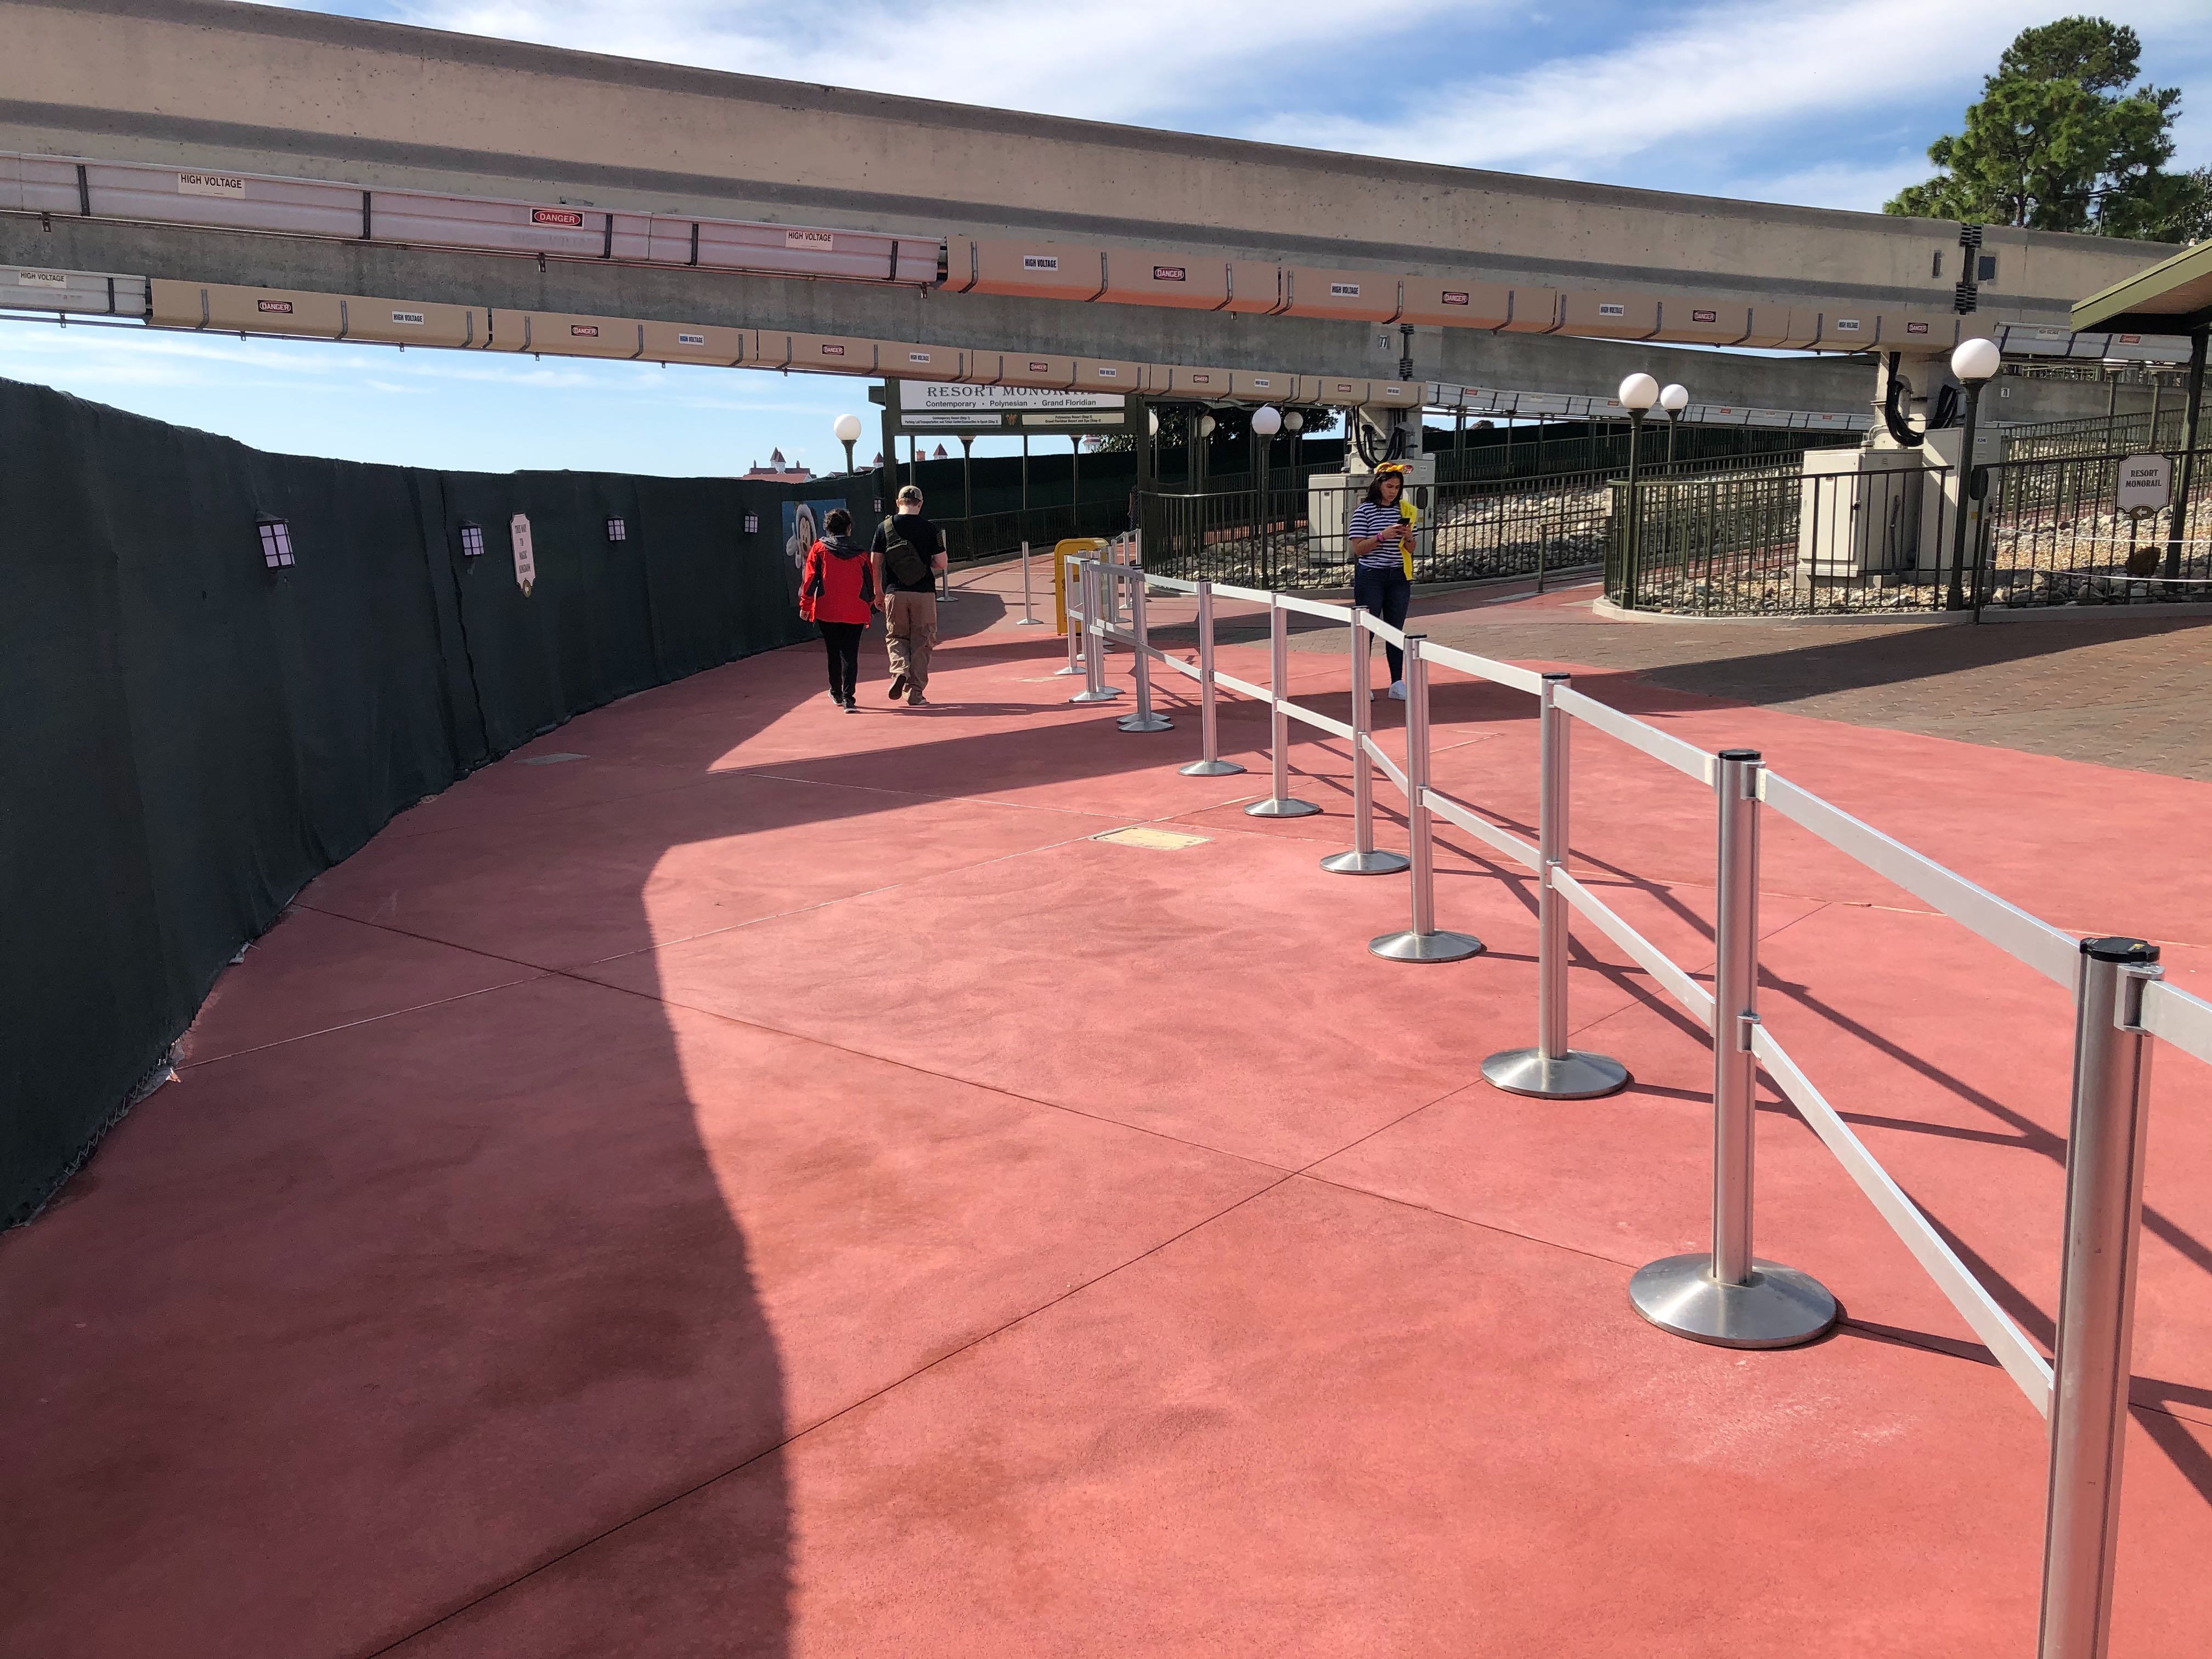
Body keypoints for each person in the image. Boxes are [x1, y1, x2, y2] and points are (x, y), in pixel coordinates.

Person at [872, 484, 946, 706]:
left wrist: (878, 592)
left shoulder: (884, 527)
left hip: (895, 592)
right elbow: (942, 563)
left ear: (898, 503)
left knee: (896, 636)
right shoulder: (930, 528)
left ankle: (899, 670)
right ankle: (915, 693)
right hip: (924, 592)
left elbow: (875, 562)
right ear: (920, 504)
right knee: (923, 641)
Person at [1346, 461, 1414, 698]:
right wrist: (1382, 536)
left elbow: (1412, 549)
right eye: (1389, 486)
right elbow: (1359, 549)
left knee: (1395, 629)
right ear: (1379, 485)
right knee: (1367, 629)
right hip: (1371, 575)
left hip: (1398, 575)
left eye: (1397, 487)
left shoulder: (1404, 511)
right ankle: (1362, 683)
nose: (1393, 491)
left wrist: (1408, 537)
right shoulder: (1364, 511)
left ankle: (1397, 682)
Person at [799, 507, 873, 712]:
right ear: (849, 528)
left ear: (828, 528)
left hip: (827, 610)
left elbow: (810, 580)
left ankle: (837, 692)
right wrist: (870, 604)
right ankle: (849, 699)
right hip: (855, 611)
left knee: (833, 652)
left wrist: (806, 605)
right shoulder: (861, 554)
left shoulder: (819, 549)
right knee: (850, 654)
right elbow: (870, 585)